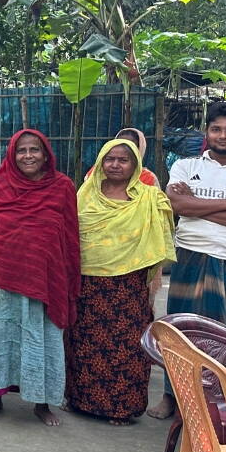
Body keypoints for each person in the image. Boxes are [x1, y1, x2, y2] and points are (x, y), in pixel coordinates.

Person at [0, 130, 79, 426]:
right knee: (0, 337)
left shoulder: (62, 187)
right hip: (1, 276)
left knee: (42, 337)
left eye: (35, 150)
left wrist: (68, 277)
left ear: (46, 154)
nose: (28, 156)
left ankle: (42, 402)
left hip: (45, 280)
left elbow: (70, 235)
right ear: (12, 154)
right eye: (22, 151)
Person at [69, 139, 175, 425]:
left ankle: (121, 408)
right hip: (89, 281)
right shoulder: (86, 194)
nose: (115, 164)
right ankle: (80, 400)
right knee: (84, 342)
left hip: (128, 284)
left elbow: (159, 236)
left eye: (123, 160)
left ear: (135, 165)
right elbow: (73, 233)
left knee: (126, 345)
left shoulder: (149, 198)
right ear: (101, 162)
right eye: (109, 159)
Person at [149, 102, 226, 419]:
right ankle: (173, 396)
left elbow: (188, 205)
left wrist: (196, 204)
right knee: (181, 332)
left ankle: (218, 402)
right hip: (190, 258)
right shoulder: (187, 166)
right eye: (217, 129)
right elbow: (176, 204)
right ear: (207, 132)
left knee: (223, 336)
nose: (223, 135)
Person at [84, 127, 159, 185]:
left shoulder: (148, 178)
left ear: (140, 150)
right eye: (120, 144)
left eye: (123, 160)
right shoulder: (95, 174)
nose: (115, 165)